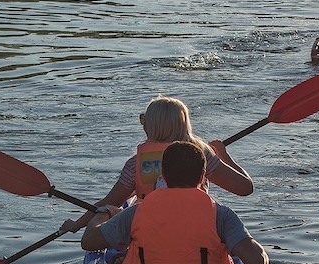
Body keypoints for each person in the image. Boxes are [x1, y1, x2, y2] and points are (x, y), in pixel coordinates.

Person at [81, 140, 269, 264]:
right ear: (203, 177)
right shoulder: (222, 215)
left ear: (163, 175)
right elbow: (256, 261)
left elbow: (89, 241)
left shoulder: (137, 212)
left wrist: (103, 212)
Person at [61, 95, 253, 233]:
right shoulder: (200, 155)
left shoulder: (136, 164)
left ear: (152, 126)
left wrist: (76, 224)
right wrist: (223, 155)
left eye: (144, 120)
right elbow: (245, 188)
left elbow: (108, 202)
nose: (142, 124)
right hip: (196, 227)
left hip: (149, 230)